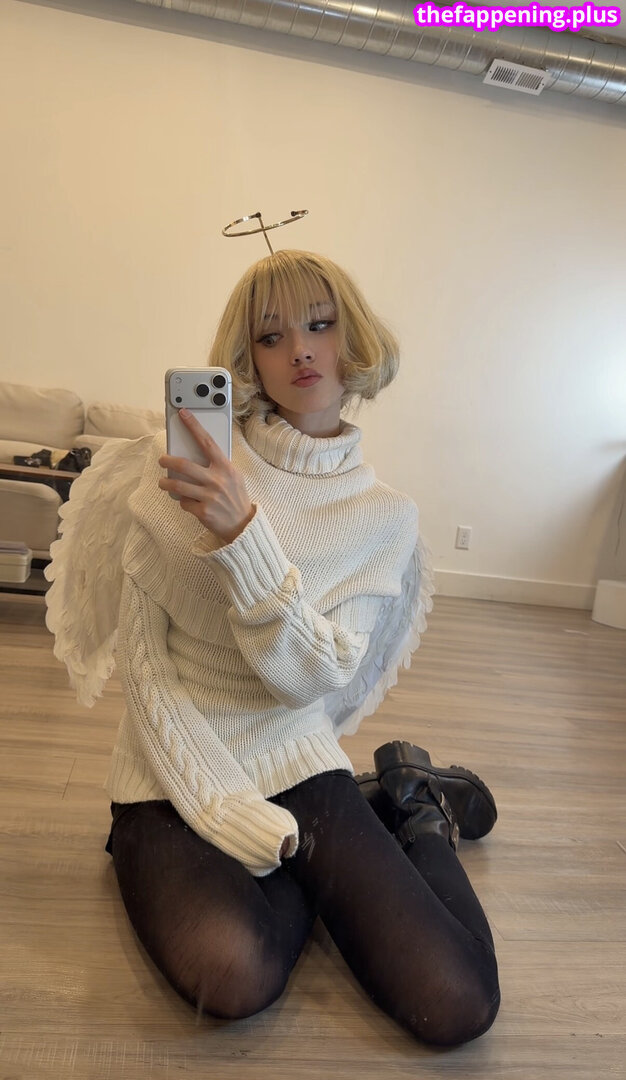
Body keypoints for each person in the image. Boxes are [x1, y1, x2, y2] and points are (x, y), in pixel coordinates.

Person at [47, 249, 500, 1046]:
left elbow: (315, 680)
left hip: (295, 752)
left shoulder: (384, 518)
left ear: (352, 338)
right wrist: (227, 812)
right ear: (247, 358)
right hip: (169, 765)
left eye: (320, 325)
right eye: (271, 335)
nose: (300, 350)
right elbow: (146, 671)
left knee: (455, 1003)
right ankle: (315, 837)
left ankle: (416, 811)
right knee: (233, 972)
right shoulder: (180, 470)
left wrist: (244, 538)